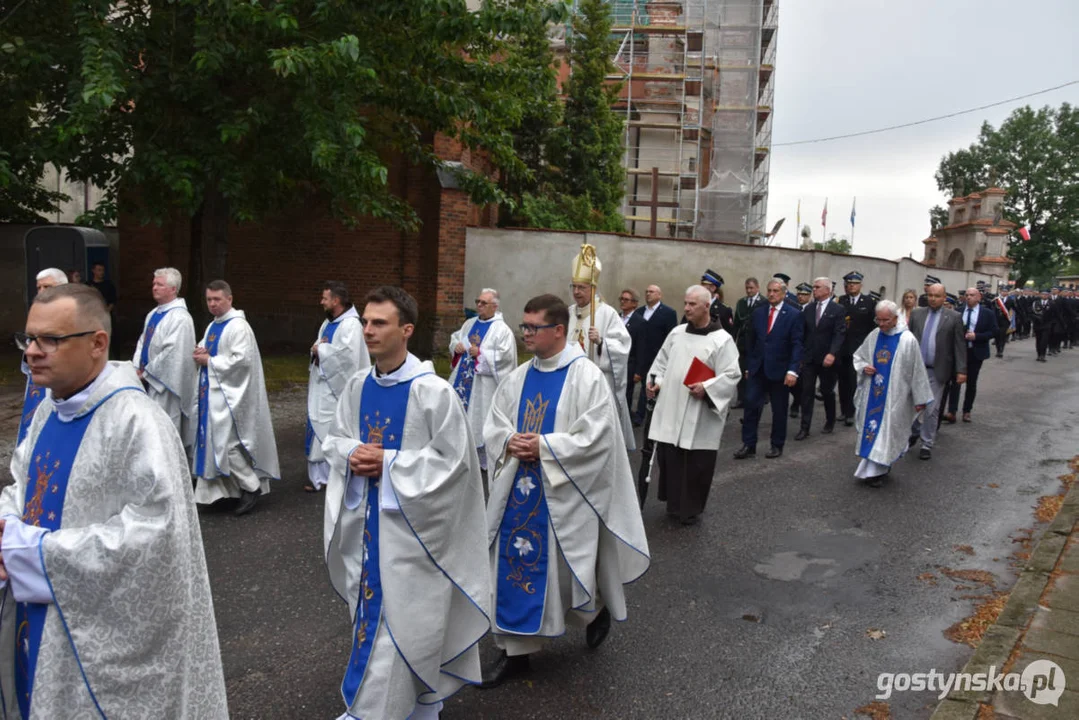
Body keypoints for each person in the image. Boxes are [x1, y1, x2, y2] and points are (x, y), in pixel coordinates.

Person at [2, 283, 227, 717]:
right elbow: (20, 483)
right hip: (37, 617)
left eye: (50, 339)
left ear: (97, 344)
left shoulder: (137, 423)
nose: (32, 351)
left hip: (91, 647)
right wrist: (7, 529)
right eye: (28, 338)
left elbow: (156, 539)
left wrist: (33, 553)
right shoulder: (49, 409)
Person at [321, 286, 490, 720]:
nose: (367, 330)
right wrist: (349, 454)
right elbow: (336, 439)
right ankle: (400, 709)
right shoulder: (357, 387)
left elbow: (454, 466)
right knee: (373, 621)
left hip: (414, 536)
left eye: (379, 323)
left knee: (405, 624)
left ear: (407, 330)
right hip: (366, 528)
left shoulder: (433, 393)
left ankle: (380, 711)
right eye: (365, 322)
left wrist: (390, 464)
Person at [481, 293, 649, 687]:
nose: (525, 335)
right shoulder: (519, 377)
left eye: (532, 328)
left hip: (565, 493)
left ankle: (595, 610)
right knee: (513, 566)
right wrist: (507, 440)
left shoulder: (585, 376)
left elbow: (598, 438)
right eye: (524, 326)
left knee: (567, 572)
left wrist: (545, 446)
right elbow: (495, 421)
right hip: (518, 492)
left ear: (558, 331)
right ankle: (515, 653)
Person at [645, 286, 741, 524]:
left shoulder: (722, 340)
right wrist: (656, 382)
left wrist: (707, 388)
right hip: (672, 406)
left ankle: (690, 509)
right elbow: (661, 363)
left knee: (696, 463)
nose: (686, 308)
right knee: (671, 459)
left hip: (700, 412)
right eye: (685, 303)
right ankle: (674, 504)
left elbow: (731, 375)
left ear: (707, 306)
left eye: (692, 304)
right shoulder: (677, 333)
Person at [193, 280, 280, 515]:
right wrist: (201, 351)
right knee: (214, 443)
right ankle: (225, 491)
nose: (212, 304)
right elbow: (208, 347)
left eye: (217, 299)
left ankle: (251, 486)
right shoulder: (213, 326)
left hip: (231, 397)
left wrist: (210, 361)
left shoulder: (238, 327)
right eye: (209, 299)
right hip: (214, 395)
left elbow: (241, 361)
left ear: (229, 299)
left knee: (227, 445)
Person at [851, 300, 933, 486]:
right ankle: (875, 471)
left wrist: (919, 398)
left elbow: (917, 371)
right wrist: (865, 367)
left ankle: (878, 470)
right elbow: (859, 356)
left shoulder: (907, 340)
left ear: (896, 318)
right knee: (874, 431)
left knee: (888, 432)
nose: (881, 324)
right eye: (878, 320)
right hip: (873, 395)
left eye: (885, 320)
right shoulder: (874, 335)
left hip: (895, 398)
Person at [566, 246, 635, 451]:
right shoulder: (568, 312)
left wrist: (602, 342)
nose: (577, 292)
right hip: (570, 380)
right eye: (574, 287)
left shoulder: (607, 313)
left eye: (582, 288)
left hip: (597, 383)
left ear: (593, 289)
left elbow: (623, 346)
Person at [306, 281, 369, 493]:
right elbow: (321, 345)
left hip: (336, 388)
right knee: (318, 425)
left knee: (331, 427)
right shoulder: (328, 323)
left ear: (336, 300)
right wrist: (318, 350)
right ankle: (320, 477)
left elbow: (348, 359)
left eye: (325, 298)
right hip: (322, 385)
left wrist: (322, 350)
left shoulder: (351, 325)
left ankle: (333, 473)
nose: (321, 301)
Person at [447, 287, 517, 471]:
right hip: (463, 379)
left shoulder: (502, 330)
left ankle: (484, 460)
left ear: (494, 306)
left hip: (484, 385)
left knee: (481, 418)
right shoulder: (469, 324)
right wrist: (457, 346)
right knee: (460, 414)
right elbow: (455, 338)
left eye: (483, 303)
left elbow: (506, 357)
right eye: (478, 301)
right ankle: (460, 453)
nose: (478, 305)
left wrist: (482, 354)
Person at [735, 278, 804, 459]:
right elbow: (751, 341)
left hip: (780, 371)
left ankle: (776, 445)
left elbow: (797, 344)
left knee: (779, 410)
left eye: (776, 291)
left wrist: (792, 370)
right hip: (758, 369)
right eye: (769, 291)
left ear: (783, 292)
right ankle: (748, 445)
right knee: (750, 405)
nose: (772, 294)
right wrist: (750, 365)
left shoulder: (793, 314)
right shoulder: (758, 313)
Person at [132, 267, 197, 451]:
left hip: (165, 385)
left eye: (159, 284)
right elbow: (142, 341)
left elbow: (173, 354)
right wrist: (137, 366)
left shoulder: (180, 318)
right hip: (146, 379)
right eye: (154, 284)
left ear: (173, 289)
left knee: (164, 429)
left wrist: (146, 372)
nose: (154, 287)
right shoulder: (153, 314)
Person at [907, 283, 967, 460]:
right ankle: (915, 431)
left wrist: (961, 370)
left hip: (938, 370)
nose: (933, 298)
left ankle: (927, 443)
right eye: (930, 295)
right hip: (916, 369)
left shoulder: (954, 317)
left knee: (931, 409)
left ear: (944, 298)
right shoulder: (917, 314)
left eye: (937, 296)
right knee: (913, 406)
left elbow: (959, 345)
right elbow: (908, 340)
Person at [17, 270, 69, 445]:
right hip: (37, 377)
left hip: (60, 378)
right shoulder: (37, 312)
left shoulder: (74, 313)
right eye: (39, 287)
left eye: (47, 286)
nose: (41, 291)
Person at [795, 277, 846, 440]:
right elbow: (802, 333)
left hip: (827, 359)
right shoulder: (808, 309)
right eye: (814, 287)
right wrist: (801, 355)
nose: (814, 290)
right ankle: (805, 427)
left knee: (826, 391)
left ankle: (830, 420)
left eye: (817, 287)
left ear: (827, 290)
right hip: (810, 358)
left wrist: (832, 353)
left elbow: (839, 334)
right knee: (806, 392)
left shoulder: (837, 309)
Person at [945, 287, 998, 422]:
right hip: (959, 352)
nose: (968, 297)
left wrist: (977, 336)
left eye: (972, 295)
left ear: (979, 297)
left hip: (976, 352)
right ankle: (952, 411)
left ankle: (967, 411)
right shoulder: (958, 311)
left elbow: (994, 332)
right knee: (955, 382)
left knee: (971, 383)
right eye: (967, 295)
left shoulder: (987, 313)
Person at [630, 284, 677, 426]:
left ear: (659, 295)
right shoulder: (639, 311)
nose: (648, 294)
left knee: (652, 386)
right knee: (638, 385)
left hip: (657, 356)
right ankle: (637, 415)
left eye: (651, 292)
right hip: (640, 355)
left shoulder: (668, 313)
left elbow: (671, 335)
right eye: (647, 291)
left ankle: (651, 415)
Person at [837, 271, 877, 427]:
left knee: (854, 380)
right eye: (849, 283)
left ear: (861, 285)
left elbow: (872, 327)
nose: (852, 286)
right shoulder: (841, 301)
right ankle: (843, 409)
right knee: (842, 381)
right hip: (842, 348)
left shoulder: (869, 302)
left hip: (859, 349)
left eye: (855, 283)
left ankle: (851, 411)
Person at [732, 277, 764, 408]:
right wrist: (733, 339)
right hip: (743, 341)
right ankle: (741, 398)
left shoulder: (764, 302)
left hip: (757, 341)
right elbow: (737, 323)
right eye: (747, 288)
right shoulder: (741, 302)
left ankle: (757, 396)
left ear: (757, 288)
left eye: (751, 288)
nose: (749, 290)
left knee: (755, 370)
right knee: (741, 369)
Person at [619, 288, 646, 424]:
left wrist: (638, 371)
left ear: (634, 304)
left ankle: (625, 422)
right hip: (616, 363)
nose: (622, 302)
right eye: (621, 299)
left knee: (626, 395)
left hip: (630, 364)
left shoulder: (640, 322)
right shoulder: (617, 318)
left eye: (626, 300)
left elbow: (642, 348)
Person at [700, 269, 735, 334]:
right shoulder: (695, 305)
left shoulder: (724, 310)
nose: (700, 288)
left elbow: (728, 335)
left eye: (704, 285)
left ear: (713, 288)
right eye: (701, 284)